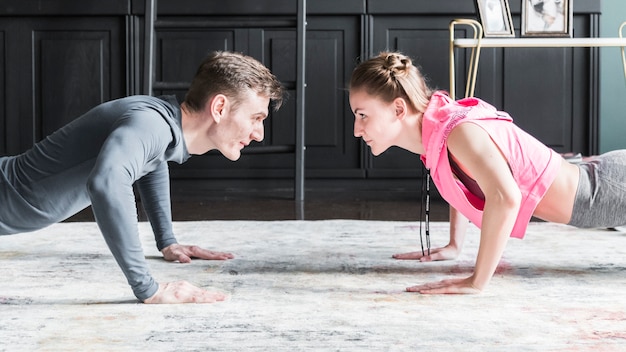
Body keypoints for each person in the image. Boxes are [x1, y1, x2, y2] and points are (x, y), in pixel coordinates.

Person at [0, 51, 284, 303]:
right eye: (256, 118)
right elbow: (107, 182)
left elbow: (153, 161)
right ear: (219, 107)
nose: (259, 134)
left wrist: (167, 240)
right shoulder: (150, 123)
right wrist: (148, 288)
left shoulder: (161, 125)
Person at [348, 51, 626, 294]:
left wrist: (476, 281)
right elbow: (464, 183)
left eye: (362, 115)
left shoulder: (459, 131)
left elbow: (505, 197)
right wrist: (455, 244)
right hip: (597, 177)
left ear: (398, 108)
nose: (357, 130)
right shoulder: (440, 131)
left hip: (605, 191)